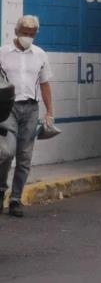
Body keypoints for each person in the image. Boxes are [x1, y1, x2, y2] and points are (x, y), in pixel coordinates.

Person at [0, 15, 54, 217]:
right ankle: (0, 189)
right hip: (8, 109)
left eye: (31, 34)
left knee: (24, 157)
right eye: (25, 33)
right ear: (17, 32)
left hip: (31, 109)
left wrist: (50, 112)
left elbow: (45, 84)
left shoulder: (40, 55)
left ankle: (15, 199)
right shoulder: (3, 53)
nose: (28, 37)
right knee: (6, 152)